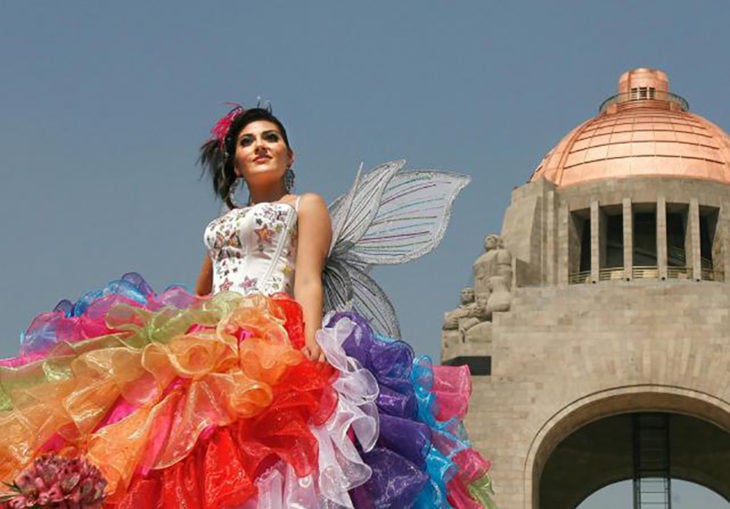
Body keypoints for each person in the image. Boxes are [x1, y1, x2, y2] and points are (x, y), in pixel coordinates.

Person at [0, 106, 495, 508]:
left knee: (261, 451)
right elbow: (203, 286)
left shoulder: (306, 205)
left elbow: (307, 277)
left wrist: (309, 343)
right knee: (174, 445)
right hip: (210, 337)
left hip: (271, 332)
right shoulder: (225, 219)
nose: (260, 145)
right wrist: (177, 333)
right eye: (248, 141)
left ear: (289, 153)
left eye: (271, 137)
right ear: (235, 162)